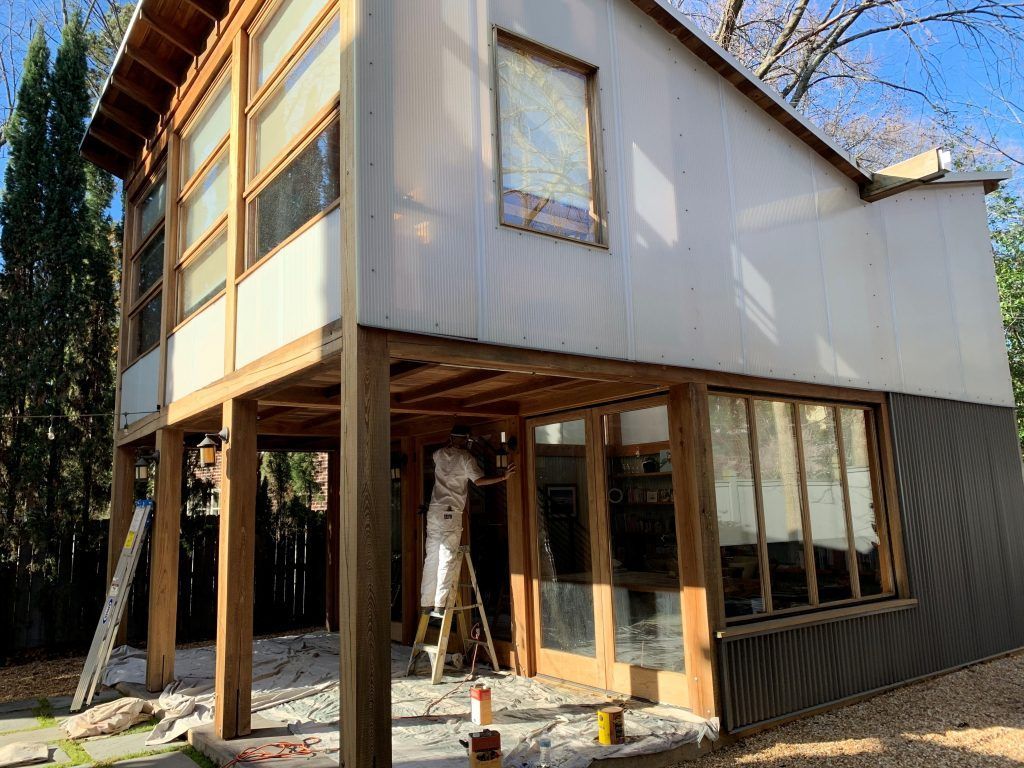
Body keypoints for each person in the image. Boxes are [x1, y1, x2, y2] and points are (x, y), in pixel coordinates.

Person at [420, 425, 517, 613]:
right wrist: (503, 477)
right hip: (451, 511)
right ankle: (440, 603)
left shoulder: (439, 454)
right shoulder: (466, 458)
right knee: (447, 555)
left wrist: (454, 442)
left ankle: (426, 602)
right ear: (466, 439)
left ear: (451, 438)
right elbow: (479, 481)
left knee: (431, 556)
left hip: (434, 511)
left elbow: (443, 453)